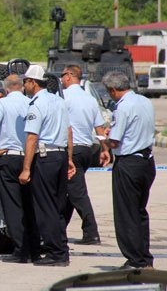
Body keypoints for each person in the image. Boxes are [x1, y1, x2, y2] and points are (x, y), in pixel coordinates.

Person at [19, 64, 76, 267]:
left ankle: (56, 253)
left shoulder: (36, 105)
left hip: (45, 158)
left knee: (46, 207)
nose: (24, 85)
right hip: (60, 156)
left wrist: (26, 169)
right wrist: (69, 158)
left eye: (25, 81)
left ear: (33, 83)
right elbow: (69, 132)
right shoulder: (59, 101)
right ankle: (62, 250)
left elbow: (32, 138)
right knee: (58, 206)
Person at [102, 71, 155, 270]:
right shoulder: (144, 101)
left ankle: (134, 259)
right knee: (140, 212)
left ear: (113, 90)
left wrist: (105, 140)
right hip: (147, 161)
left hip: (128, 163)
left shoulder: (122, 107)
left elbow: (115, 140)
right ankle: (144, 257)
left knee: (126, 213)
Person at [0, 74, 39, 263]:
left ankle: (20, 251)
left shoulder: (2, 104)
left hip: (8, 158)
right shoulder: (31, 102)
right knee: (30, 205)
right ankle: (35, 249)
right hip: (29, 158)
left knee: (13, 206)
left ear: (6, 89)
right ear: (22, 87)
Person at [60, 65, 110, 245]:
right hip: (87, 150)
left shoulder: (64, 97)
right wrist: (104, 149)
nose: (60, 79)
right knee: (70, 192)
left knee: (77, 193)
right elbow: (99, 129)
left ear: (68, 76)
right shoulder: (90, 100)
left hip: (71, 151)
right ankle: (59, 231)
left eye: (62, 75)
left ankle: (92, 233)